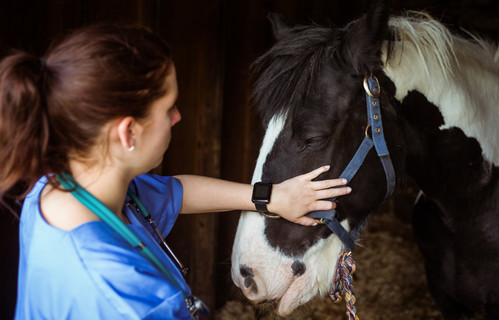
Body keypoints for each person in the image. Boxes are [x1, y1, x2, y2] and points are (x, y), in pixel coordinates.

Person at [0, 24, 351, 319]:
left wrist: (272, 197)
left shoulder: (60, 191)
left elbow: (176, 192)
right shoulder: (135, 301)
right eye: (168, 109)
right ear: (128, 132)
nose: (178, 117)